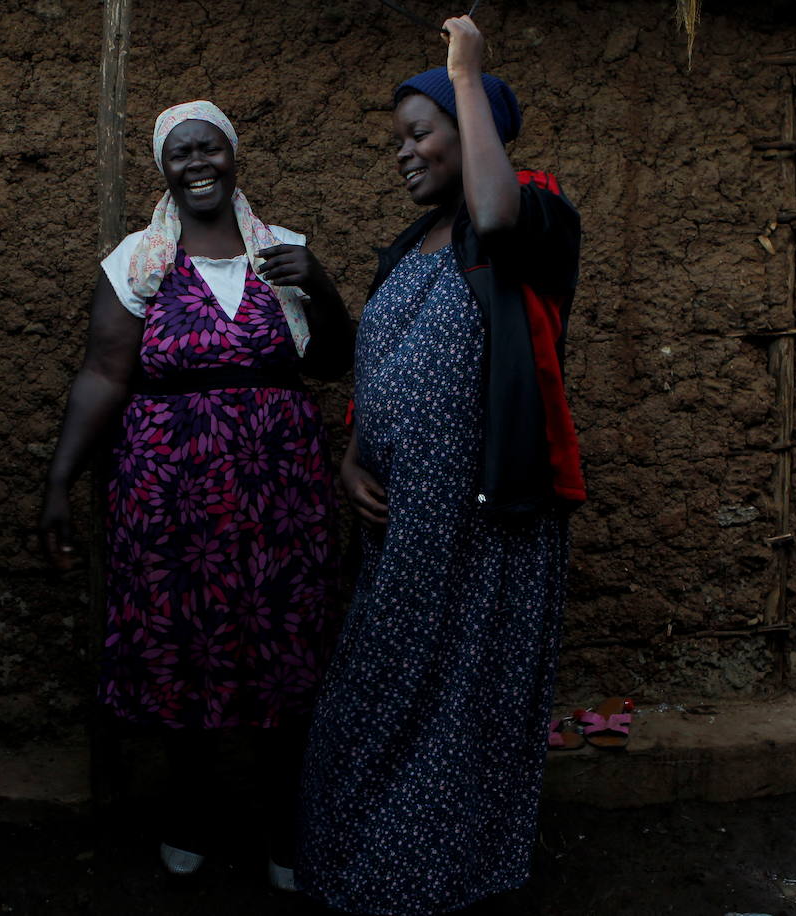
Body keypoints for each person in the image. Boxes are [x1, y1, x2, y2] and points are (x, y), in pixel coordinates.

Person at [296, 17, 584, 915]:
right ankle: (362, 862)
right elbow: (377, 371)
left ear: (474, 129)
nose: (404, 154)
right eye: (398, 140)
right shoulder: (405, 248)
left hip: (485, 522)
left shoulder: (532, 215)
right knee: (378, 690)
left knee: (459, 699)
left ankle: (439, 874)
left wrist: (467, 70)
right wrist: (352, 456)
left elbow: (491, 212)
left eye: (421, 133)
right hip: (400, 524)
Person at [39, 101, 352, 889]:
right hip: (169, 497)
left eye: (210, 147)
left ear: (233, 156)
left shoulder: (285, 253)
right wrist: (59, 481)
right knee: (183, 648)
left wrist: (321, 286)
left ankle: (286, 826)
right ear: (164, 168)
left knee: (284, 650)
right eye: (181, 153)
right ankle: (190, 812)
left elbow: (332, 365)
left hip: (279, 497)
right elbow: (106, 373)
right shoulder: (136, 263)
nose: (197, 162)